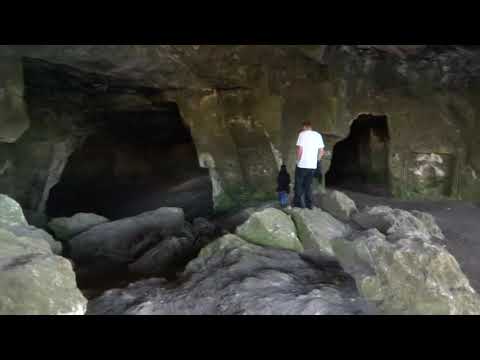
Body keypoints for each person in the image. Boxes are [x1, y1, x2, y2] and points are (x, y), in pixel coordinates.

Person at [293, 121, 325, 209]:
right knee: (308, 185)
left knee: (298, 184)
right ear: (311, 127)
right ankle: (309, 205)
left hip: (302, 165)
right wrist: (317, 160)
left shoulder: (302, 134)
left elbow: (300, 150)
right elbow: (322, 151)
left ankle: (298, 204)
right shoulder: (318, 135)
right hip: (312, 166)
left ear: (304, 127)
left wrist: (298, 160)